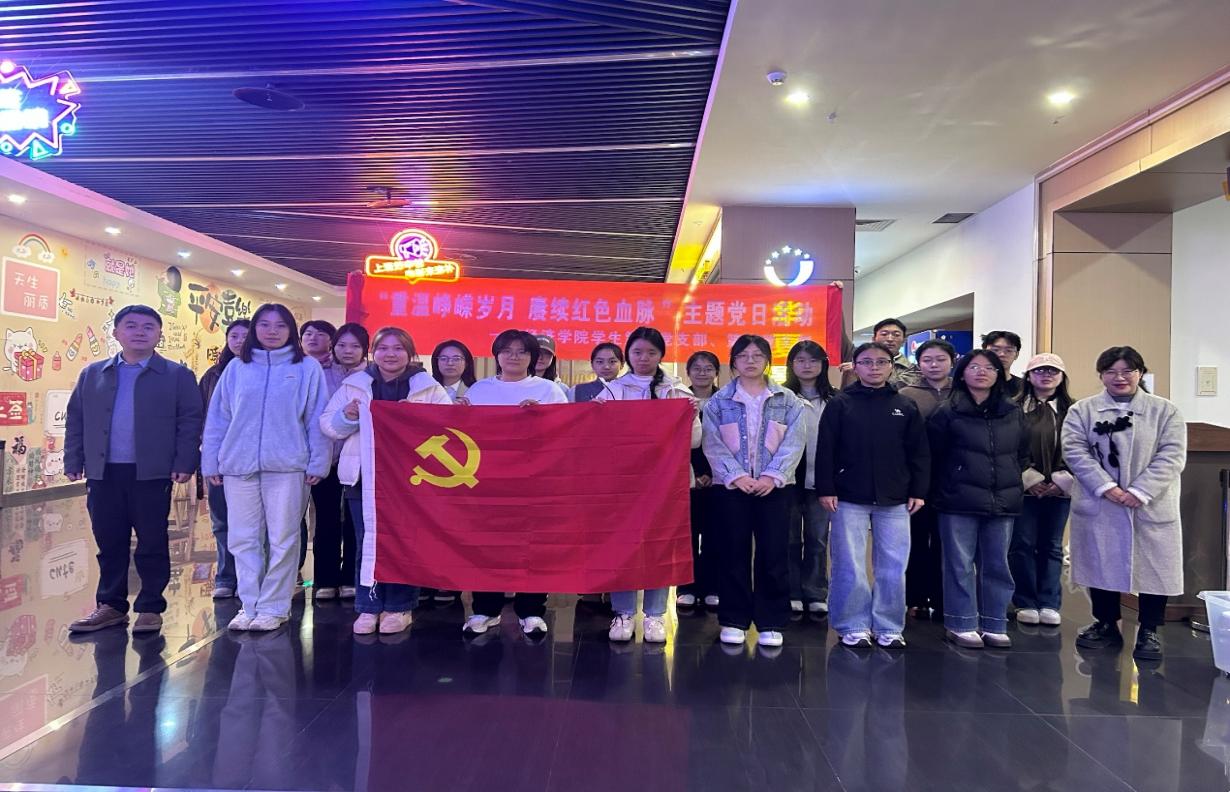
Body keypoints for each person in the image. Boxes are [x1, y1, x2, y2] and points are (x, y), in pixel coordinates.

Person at [65, 304, 204, 634]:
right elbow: (76, 419)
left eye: (148, 327)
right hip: (104, 471)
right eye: (131, 326)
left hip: (151, 472)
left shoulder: (177, 375)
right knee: (109, 540)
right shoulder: (93, 374)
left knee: (152, 541)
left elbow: (190, 421)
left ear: (159, 335)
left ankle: (150, 607)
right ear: (116, 333)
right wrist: (73, 459)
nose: (139, 332)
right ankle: (110, 605)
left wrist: (185, 462)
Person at [202, 303, 331, 632]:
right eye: (264, 324)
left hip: (288, 466)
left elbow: (316, 417)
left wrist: (318, 460)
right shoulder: (237, 368)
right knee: (242, 538)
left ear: (291, 331)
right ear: (254, 330)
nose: (272, 331)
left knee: (283, 538)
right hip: (238, 466)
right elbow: (218, 418)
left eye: (280, 325)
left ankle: (275, 606)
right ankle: (249, 605)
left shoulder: (306, 368)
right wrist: (212, 460)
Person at [321, 327, 452, 635]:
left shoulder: (427, 386)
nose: (390, 354)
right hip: (363, 478)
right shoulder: (354, 385)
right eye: (383, 348)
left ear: (410, 354)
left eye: (398, 348)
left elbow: (448, 427)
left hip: (410, 480)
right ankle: (368, 606)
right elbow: (328, 426)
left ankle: (399, 606)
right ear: (373, 352)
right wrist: (348, 415)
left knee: (404, 542)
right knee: (366, 542)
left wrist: (417, 419)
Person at [1062, 346, 1186, 662]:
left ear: (1140, 373)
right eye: (1111, 372)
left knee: (1155, 567)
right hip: (1101, 501)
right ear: (1101, 375)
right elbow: (1075, 451)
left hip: (1150, 504)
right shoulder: (1083, 411)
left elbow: (1172, 455)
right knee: (1100, 562)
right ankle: (1105, 623)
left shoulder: (1165, 411)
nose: (1120, 378)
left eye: (1127, 371)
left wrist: (1141, 490)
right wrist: (1106, 487)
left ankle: (1150, 630)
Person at [817, 341, 929, 649]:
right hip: (848, 496)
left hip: (896, 497)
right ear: (856, 367)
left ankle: (889, 626)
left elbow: (919, 452)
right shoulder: (841, 403)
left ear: (891, 366)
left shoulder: (904, 404)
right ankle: (852, 624)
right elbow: (826, 449)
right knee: (849, 563)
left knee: (893, 565)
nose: (874, 367)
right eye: (866, 362)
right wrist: (826, 488)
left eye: (881, 362)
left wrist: (918, 490)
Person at [459, 330, 569, 637]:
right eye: (507, 350)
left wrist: (544, 417)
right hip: (487, 484)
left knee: (534, 546)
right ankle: (485, 609)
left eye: (522, 351)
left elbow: (567, 433)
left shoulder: (548, 390)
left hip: (536, 483)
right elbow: (463, 435)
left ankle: (531, 610)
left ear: (533, 357)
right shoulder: (480, 390)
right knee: (487, 546)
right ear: (496, 355)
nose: (514, 356)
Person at [702, 335, 808, 648]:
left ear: (767, 361)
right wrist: (736, 476)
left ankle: (771, 621)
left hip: (774, 488)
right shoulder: (719, 401)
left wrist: (772, 476)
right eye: (743, 356)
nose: (750, 361)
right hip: (731, 488)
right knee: (732, 553)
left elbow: (795, 442)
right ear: (733, 362)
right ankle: (733, 619)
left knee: (774, 553)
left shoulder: (787, 399)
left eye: (757, 355)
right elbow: (712, 442)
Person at [597, 327, 701, 643]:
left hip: (667, 483)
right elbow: (595, 436)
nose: (644, 358)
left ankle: (655, 615)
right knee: (622, 546)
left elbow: (695, 441)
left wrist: (690, 416)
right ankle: (623, 612)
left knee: (661, 544)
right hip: (623, 483)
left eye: (651, 352)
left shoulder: (677, 391)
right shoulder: (613, 390)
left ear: (661, 355)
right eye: (638, 352)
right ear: (627, 355)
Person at [927, 349, 1029, 650]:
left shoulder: (1012, 412)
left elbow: (1022, 453)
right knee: (959, 564)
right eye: (974, 367)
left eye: (989, 367)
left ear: (999, 374)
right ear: (962, 373)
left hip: (1003, 498)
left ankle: (995, 623)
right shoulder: (947, 411)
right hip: (957, 499)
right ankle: (961, 622)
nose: (981, 372)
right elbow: (934, 455)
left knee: (997, 564)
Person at [1010, 353, 1076, 627]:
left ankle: (1049, 601)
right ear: (1028, 376)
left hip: (1061, 491)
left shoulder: (1074, 410)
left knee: (1051, 546)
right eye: (1039, 371)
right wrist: (1031, 478)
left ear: (1062, 377)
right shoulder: (1014, 408)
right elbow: (1009, 447)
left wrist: (1062, 480)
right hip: (1024, 490)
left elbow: (1082, 448)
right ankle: (1025, 600)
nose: (1046, 376)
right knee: (1022, 544)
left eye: (1052, 371)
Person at [312, 322, 369, 602]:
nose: (348, 351)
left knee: (356, 522)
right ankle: (325, 579)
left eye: (355, 346)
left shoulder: (371, 379)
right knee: (326, 520)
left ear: (365, 350)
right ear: (333, 347)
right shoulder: (318, 375)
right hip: (325, 459)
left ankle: (351, 579)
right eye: (342, 345)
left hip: (359, 462)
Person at [899, 338, 955, 619]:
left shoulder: (962, 391)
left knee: (949, 543)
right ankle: (916, 598)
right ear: (918, 363)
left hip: (955, 478)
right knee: (917, 540)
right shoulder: (906, 394)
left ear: (952, 362)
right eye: (927, 360)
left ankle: (945, 600)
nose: (934, 365)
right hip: (917, 477)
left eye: (940, 359)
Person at [782, 340, 836, 616]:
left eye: (813, 360)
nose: (807, 366)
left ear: (823, 365)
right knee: (789, 539)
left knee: (818, 540)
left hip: (822, 482)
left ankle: (815, 592)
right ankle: (791, 592)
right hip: (787, 480)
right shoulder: (780, 397)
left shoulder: (835, 399)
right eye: (800, 360)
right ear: (791, 365)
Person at [198, 319, 250, 600]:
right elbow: (203, 416)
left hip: (251, 459)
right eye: (234, 336)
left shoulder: (261, 371)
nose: (240, 340)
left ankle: (249, 577)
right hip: (218, 457)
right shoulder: (213, 375)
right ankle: (226, 576)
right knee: (222, 521)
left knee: (252, 523)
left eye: (246, 335)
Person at [425, 338, 477, 604]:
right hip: (428, 468)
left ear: (466, 363)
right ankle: (425, 579)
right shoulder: (422, 388)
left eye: (456, 358)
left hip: (464, 468)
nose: (450, 363)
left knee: (456, 527)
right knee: (427, 525)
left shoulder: (477, 391)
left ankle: (450, 581)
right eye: (443, 358)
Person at [679, 350, 721, 608]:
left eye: (708, 368)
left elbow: (728, 442)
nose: (702, 373)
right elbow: (678, 442)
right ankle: (687, 587)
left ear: (716, 372)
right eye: (697, 368)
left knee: (716, 536)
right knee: (688, 536)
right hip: (687, 479)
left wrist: (712, 473)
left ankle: (713, 586)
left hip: (720, 479)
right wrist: (695, 472)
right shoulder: (680, 400)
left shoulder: (726, 400)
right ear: (688, 372)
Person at [839, 319, 917, 388]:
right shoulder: (857, 358)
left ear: (904, 341)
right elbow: (840, 336)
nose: (890, 339)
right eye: (884, 334)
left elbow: (894, 388)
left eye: (896, 335)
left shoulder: (912, 369)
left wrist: (860, 369)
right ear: (874, 339)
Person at [982, 331, 1024, 399]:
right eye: (995, 350)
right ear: (984, 353)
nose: (1002, 354)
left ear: (1016, 355)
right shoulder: (973, 383)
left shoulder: (1024, 387)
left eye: (1009, 350)